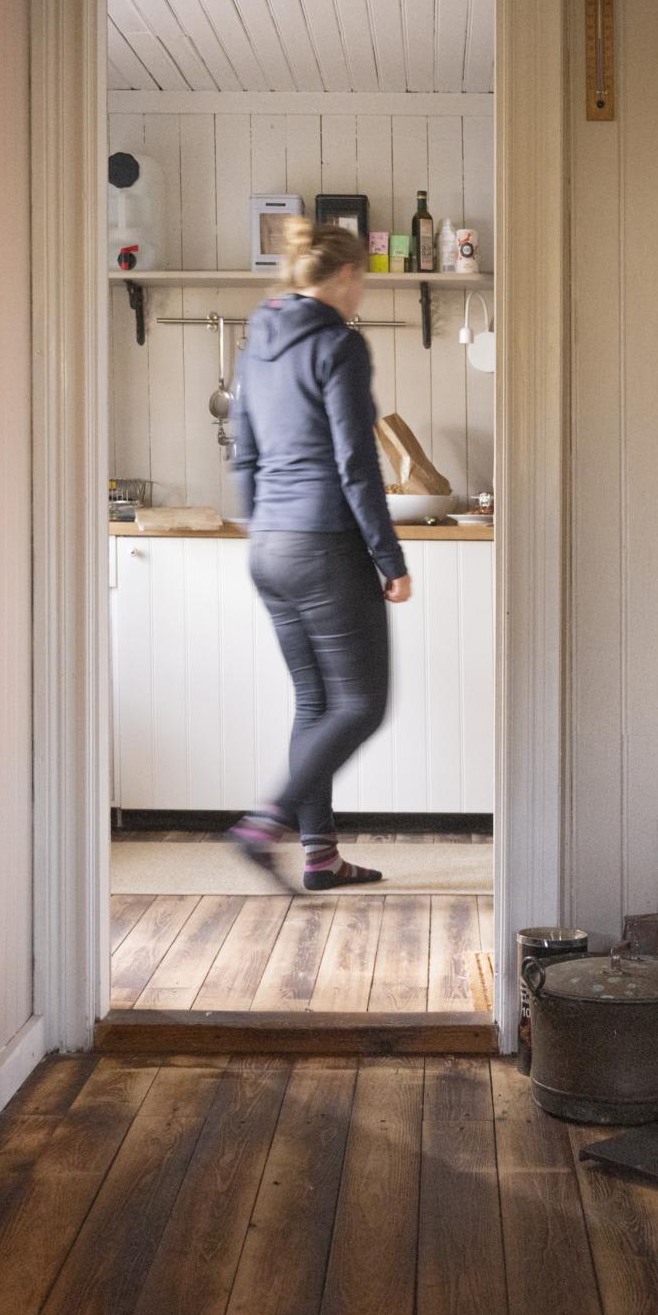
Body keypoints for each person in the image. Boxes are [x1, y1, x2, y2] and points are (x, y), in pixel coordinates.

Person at [222, 219, 411, 891]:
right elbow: (357, 463)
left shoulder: (257, 341)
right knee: (361, 704)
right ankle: (264, 821)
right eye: (362, 281)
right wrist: (389, 559)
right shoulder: (338, 343)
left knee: (314, 701)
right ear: (348, 276)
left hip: (270, 544)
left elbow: (241, 453)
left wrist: (263, 526)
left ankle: (321, 855)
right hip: (325, 544)